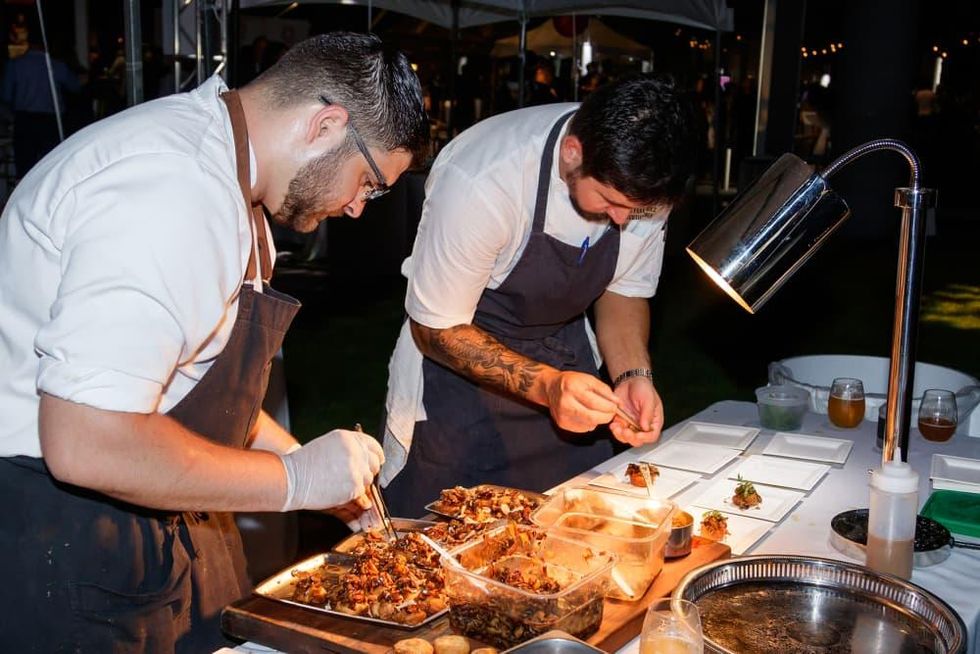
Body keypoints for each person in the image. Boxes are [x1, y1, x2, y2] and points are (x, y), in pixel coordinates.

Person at [0, 32, 427, 652]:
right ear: (326, 125)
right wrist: (295, 481)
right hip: (68, 536)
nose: (359, 208)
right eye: (368, 183)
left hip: (165, 504)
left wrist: (323, 478)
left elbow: (196, 391)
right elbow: (86, 443)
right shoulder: (169, 195)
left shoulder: (236, 181)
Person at [381, 74, 693, 516]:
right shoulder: (485, 179)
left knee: (577, 535)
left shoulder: (641, 183)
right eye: (609, 201)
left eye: (639, 210)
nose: (624, 219)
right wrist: (547, 387)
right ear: (573, 154)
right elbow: (434, 328)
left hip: (566, 362)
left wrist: (631, 376)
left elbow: (623, 291)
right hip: (455, 384)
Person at [0, 20, 82, 179]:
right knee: (49, 167)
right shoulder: (55, 65)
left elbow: (6, 96)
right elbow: (75, 87)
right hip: (49, 122)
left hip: (25, 120)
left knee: (24, 168)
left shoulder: (15, 65)